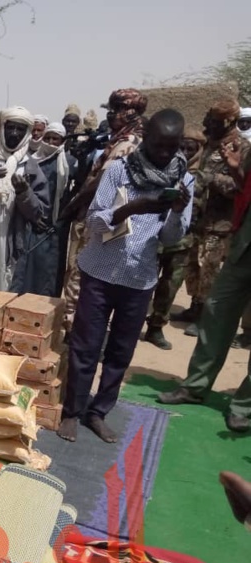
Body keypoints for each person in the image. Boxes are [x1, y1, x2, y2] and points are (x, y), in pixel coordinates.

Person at [58, 109, 193, 444]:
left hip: (139, 280)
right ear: (145, 138)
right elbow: (94, 219)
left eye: (172, 147)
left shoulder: (183, 180)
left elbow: (172, 239)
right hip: (100, 272)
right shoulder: (119, 169)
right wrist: (132, 208)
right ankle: (72, 411)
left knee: (120, 352)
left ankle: (98, 412)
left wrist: (175, 213)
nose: (165, 154)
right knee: (85, 346)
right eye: (159, 145)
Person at [157, 138, 251, 433]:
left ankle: (244, 408)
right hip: (244, 245)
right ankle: (195, 387)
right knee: (216, 311)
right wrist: (237, 170)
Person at [61, 89, 148, 332]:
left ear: (128, 113)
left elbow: (101, 183)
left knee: (80, 274)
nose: (110, 116)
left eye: (114, 111)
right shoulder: (122, 139)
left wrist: (73, 204)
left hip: (100, 220)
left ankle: (74, 329)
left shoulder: (128, 144)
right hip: (103, 219)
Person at [173, 101, 247, 336]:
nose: (207, 124)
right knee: (191, 266)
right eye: (208, 119)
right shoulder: (206, 143)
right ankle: (194, 307)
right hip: (195, 216)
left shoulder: (240, 148)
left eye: (214, 122)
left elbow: (239, 187)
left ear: (228, 122)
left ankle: (205, 315)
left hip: (218, 222)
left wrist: (209, 178)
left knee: (209, 269)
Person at [144, 128, 206, 350]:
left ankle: (156, 327)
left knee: (169, 287)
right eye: (183, 147)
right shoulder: (163, 170)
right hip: (156, 236)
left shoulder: (203, 175)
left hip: (182, 241)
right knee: (143, 283)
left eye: (192, 148)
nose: (186, 152)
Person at [0, 107, 50, 292]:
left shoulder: (31, 167)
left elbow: (39, 215)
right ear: (1, 128)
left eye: (20, 129)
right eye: (10, 128)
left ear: (27, 134)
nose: (14, 133)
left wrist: (24, 192)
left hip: (10, 238)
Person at [12, 122, 78, 296]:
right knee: (30, 266)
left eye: (55, 139)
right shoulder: (33, 160)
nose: (50, 142)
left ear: (62, 141)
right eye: (47, 138)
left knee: (51, 268)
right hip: (35, 218)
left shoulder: (69, 162)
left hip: (57, 224)